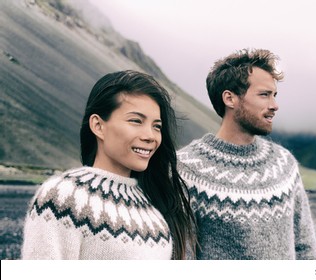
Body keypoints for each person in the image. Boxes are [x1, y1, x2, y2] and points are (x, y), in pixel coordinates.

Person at [21, 70, 196, 259]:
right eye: (136, 121)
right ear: (98, 126)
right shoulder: (62, 199)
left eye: (157, 126)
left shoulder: (153, 207)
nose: (150, 136)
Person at [177, 48, 316, 259]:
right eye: (264, 95)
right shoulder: (187, 169)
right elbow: (183, 256)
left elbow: (305, 247)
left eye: (274, 95)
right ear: (230, 98)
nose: (274, 105)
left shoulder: (284, 164)